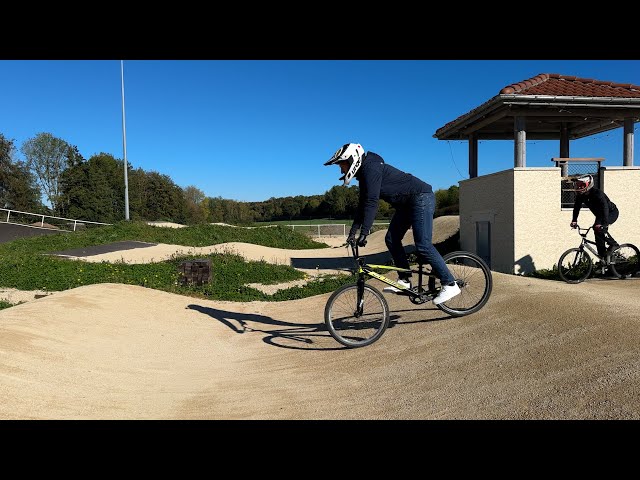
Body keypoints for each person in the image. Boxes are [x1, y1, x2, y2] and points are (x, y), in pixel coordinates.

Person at [324, 142, 460, 305]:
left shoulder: (371, 168)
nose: (341, 170)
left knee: (423, 245)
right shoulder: (365, 174)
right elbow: (363, 205)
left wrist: (365, 231)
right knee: (391, 239)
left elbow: (372, 202)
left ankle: (450, 284)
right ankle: (405, 280)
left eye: (343, 165)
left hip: (420, 198)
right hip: (406, 205)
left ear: (352, 160)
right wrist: (353, 232)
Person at [570, 174, 619, 260]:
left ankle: (614, 244)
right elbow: (576, 208)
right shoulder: (581, 196)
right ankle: (604, 258)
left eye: (581, 185)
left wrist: (604, 224)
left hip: (611, 212)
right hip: (600, 215)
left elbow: (605, 208)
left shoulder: (598, 194)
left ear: (588, 184)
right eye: (578, 185)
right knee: (596, 232)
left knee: (599, 229)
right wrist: (574, 220)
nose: (579, 187)